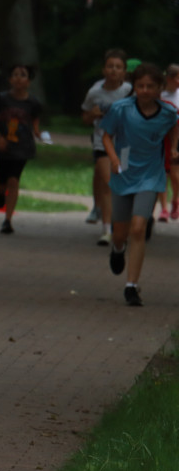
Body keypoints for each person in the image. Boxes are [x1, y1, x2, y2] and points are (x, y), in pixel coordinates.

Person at [102, 63, 179, 306]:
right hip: (124, 170)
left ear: (160, 88)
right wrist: (114, 158)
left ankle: (131, 286)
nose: (145, 90)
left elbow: (175, 127)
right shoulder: (121, 109)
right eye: (140, 86)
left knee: (138, 228)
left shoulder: (168, 113)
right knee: (121, 232)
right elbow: (106, 135)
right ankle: (117, 248)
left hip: (151, 174)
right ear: (134, 87)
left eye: (150, 86)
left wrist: (174, 148)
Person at [80, 49, 131, 244]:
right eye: (110, 66)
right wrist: (92, 114)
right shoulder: (95, 92)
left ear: (124, 71)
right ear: (103, 69)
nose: (114, 70)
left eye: (118, 67)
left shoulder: (129, 91)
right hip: (102, 143)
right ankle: (107, 230)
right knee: (109, 184)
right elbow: (84, 117)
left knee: (122, 185)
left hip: (125, 145)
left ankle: (122, 226)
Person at [0, 65, 43, 234]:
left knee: (14, 180)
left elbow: (35, 120)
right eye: (15, 75)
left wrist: (38, 132)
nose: (19, 78)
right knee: (3, 181)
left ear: (28, 81)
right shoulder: (2, 99)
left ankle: (7, 219)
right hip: (2, 145)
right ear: (10, 79)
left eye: (23, 75)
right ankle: (0, 193)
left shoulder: (33, 103)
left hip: (22, 147)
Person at [155, 63, 179, 221]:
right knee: (161, 174)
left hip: (177, 137)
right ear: (169, 78)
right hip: (161, 138)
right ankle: (163, 208)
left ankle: (175, 201)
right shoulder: (159, 95)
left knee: (175, 174)